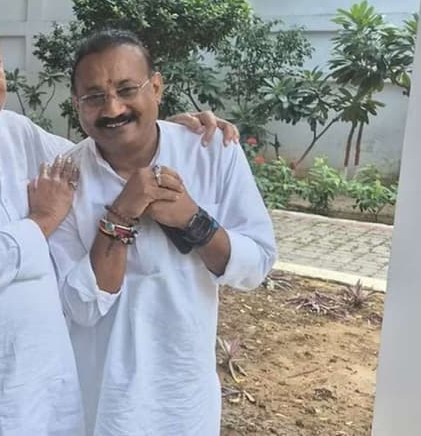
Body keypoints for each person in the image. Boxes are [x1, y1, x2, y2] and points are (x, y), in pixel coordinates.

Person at [0, 9, 238, 435]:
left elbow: (98, 156)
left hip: (31, 387)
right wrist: (43, 220)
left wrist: (154, 129)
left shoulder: (17, 133)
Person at [49, 29, 277, 436]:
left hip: (183, 398)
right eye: (94, 96)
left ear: (156, 87)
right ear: (76, 104)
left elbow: (256, 263)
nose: (113, 108)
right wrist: (121, 213)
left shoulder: (210, 151)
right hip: (100, 400)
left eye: (126, 89)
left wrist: (194, 220)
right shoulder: (65, 177)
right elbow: (80, 307)